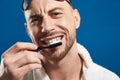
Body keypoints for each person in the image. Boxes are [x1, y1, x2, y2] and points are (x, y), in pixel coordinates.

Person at [0, 0, 119, 80]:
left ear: (76, 19)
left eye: (56, 13)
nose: (46, 28)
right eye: (35, 19)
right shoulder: (11, 77)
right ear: (28, 30)